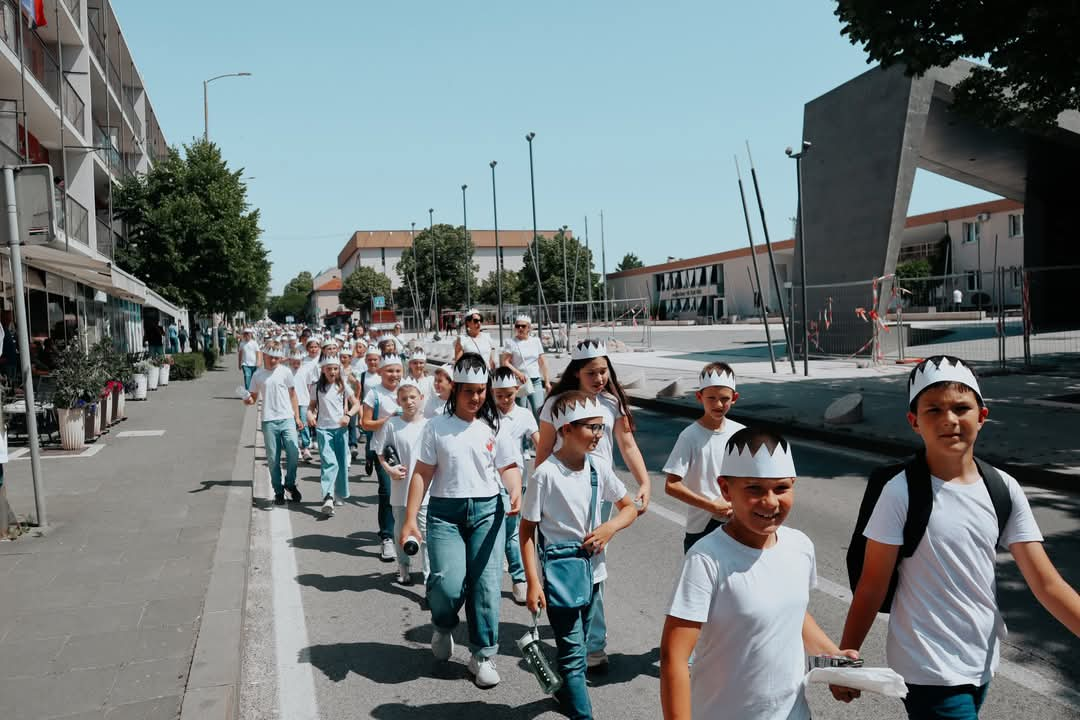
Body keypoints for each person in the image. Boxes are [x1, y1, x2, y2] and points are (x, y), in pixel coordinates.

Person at [836, 356, 1080, 718]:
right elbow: (872, 584)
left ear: (982, 416)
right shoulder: (899, 492)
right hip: (927, 667)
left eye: (961, 408)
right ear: (914, 422)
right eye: (933, 410)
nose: (949, 419)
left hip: (981, 659)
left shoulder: (1003, 488)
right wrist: (846, 658)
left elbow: (1046, 584)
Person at [660, 427, 855, 720]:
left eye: (781, 488)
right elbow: (673, 658)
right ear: (725, 489)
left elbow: (793, 614)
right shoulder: (706, 558)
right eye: (754, 489)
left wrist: (835, 663)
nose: (770, 502)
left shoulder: (800, 546)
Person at [397, 353, 522, 688]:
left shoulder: (495, 425)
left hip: (487, 513)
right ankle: (442, 623)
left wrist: (514, 491)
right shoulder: (436, 427)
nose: (477, 398)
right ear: (455, 390)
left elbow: (508, 466)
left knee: (485, 586)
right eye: (469, 391)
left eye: (482, 391)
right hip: (445, 514)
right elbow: (422, 473)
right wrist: (410, 519)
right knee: (448, 584)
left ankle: (482, 655)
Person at [536, 338, 651, 672]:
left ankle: (594, 643)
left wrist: (644, 482)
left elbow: (627, 444)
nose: (600, 378)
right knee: (572, 559)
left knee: (594, 559)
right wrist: (539, 495)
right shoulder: (556, 404)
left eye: (604, 372)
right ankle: (574, 629)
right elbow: (544, 450)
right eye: (592, 373)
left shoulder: (612, 403)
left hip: (599, 491)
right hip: (561, 492)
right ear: (576, 373)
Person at [521, 391, 638, 719]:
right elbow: (527, 532)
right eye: (591, 428)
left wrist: (610, 528)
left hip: (594, 574)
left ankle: (563, 690)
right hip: (560, 577)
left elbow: (629, 507)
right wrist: (533, 583)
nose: (599, 435)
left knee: (580, 647)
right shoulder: (545, 474)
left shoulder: (598, 467)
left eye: (601, 428)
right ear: (565, 430)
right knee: (573, 656)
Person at [663, 362, 745, 553]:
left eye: (724, 399)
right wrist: (711, 506)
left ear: (734, 398)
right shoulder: (690, 436)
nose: (718, 404)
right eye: (711, 398)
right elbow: (671, 485)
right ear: (699, 397)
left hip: (738, 522)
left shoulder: (741, 433)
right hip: (701, 527)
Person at [491, 367, 540, 604]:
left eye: (508, 395)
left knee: (511, 530)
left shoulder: (524, 415)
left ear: (516, 392)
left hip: (516, 479)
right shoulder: (486, 415)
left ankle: (518, 578)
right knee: (497, 530)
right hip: (490, 479)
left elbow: (539, 441)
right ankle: (499, 578)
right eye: (499, 395)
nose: (503, 400)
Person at [373, 378, 429, 584]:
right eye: (404, 398)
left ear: (421, 398)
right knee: (400, 529)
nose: (409, 402)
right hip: (399, 487)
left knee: (425, 531)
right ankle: (403, 566)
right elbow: (380, 452)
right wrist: (390, 470)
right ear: (398, 401)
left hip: (425, 490)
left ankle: (428, 572)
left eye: (413, 397)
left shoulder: (429, 425)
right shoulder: (392, 425)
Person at [245, 344, 303, 505]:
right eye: (271, 357)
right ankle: (278, 491)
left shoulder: (285, 372)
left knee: (293, 452)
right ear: (264, 356)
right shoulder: (258, 375)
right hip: (269, 420)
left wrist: (297, 417)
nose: (273, 360)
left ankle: (290, 483)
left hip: (287, 418)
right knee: (273, 458)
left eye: (277, 357)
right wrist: (248, 400)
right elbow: (253, 397)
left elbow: (293, 395)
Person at [361, 353, 404, 563]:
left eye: (397, 370)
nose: (394, 375)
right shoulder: (374, 394)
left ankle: (406, 531)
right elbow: (365, 423)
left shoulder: (408, 390)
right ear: (380, 372)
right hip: (384, 450)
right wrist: (387, 420)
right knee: (388, 491)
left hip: (408, 449)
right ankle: (387, 537)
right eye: (389, 370)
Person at [309, 355, 356, 517]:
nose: (332, 371)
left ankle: (339, 493)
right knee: (329, 462)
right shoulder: (316, 387)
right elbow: (311, 407)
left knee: (341, 463)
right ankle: (328, 497)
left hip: (340, 429)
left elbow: (356, 404)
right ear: (323, 370)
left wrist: (348, 416)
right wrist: (309, 415)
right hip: (323, 430)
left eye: (335, 368)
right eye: (329, 368)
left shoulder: (343, 386)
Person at [500, 315, 550, 416]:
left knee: (539, 410)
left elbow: (543, 362)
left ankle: (539, 431)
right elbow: (505, 362)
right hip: (519, 382)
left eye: (523, 326)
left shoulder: (535, 341)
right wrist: (518, 373)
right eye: (517, 326)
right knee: (520, 412)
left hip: (535, 380)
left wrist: (547, 381)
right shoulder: (511, 342)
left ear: (529, 328)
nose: (520, 328)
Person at [289, 351, 315, 464]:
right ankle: (295, 448)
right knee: (293, 425)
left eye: (298, 362)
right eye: (294, 362)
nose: (296, 364)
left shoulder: (306, 370)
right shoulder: (287, 371)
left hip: (304, 400)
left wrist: (311, 402)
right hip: (290, 402)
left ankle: (306, 447)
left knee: (303, 424)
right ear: (290, 361)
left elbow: (309, 386)